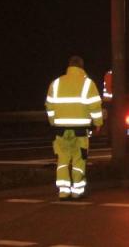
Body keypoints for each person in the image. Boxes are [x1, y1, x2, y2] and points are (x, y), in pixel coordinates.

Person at [45, 55, 103, 199]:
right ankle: (77, 191)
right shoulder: (88, 84)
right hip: (80, 131)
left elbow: (49, 106)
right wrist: (98, 123)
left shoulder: (56, 83)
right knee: (79, 160)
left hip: (60, 130)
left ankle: (63, 191)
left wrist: (53, 122)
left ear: (69, 66)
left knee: (62, 160)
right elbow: (95, 106)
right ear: (82, 67)